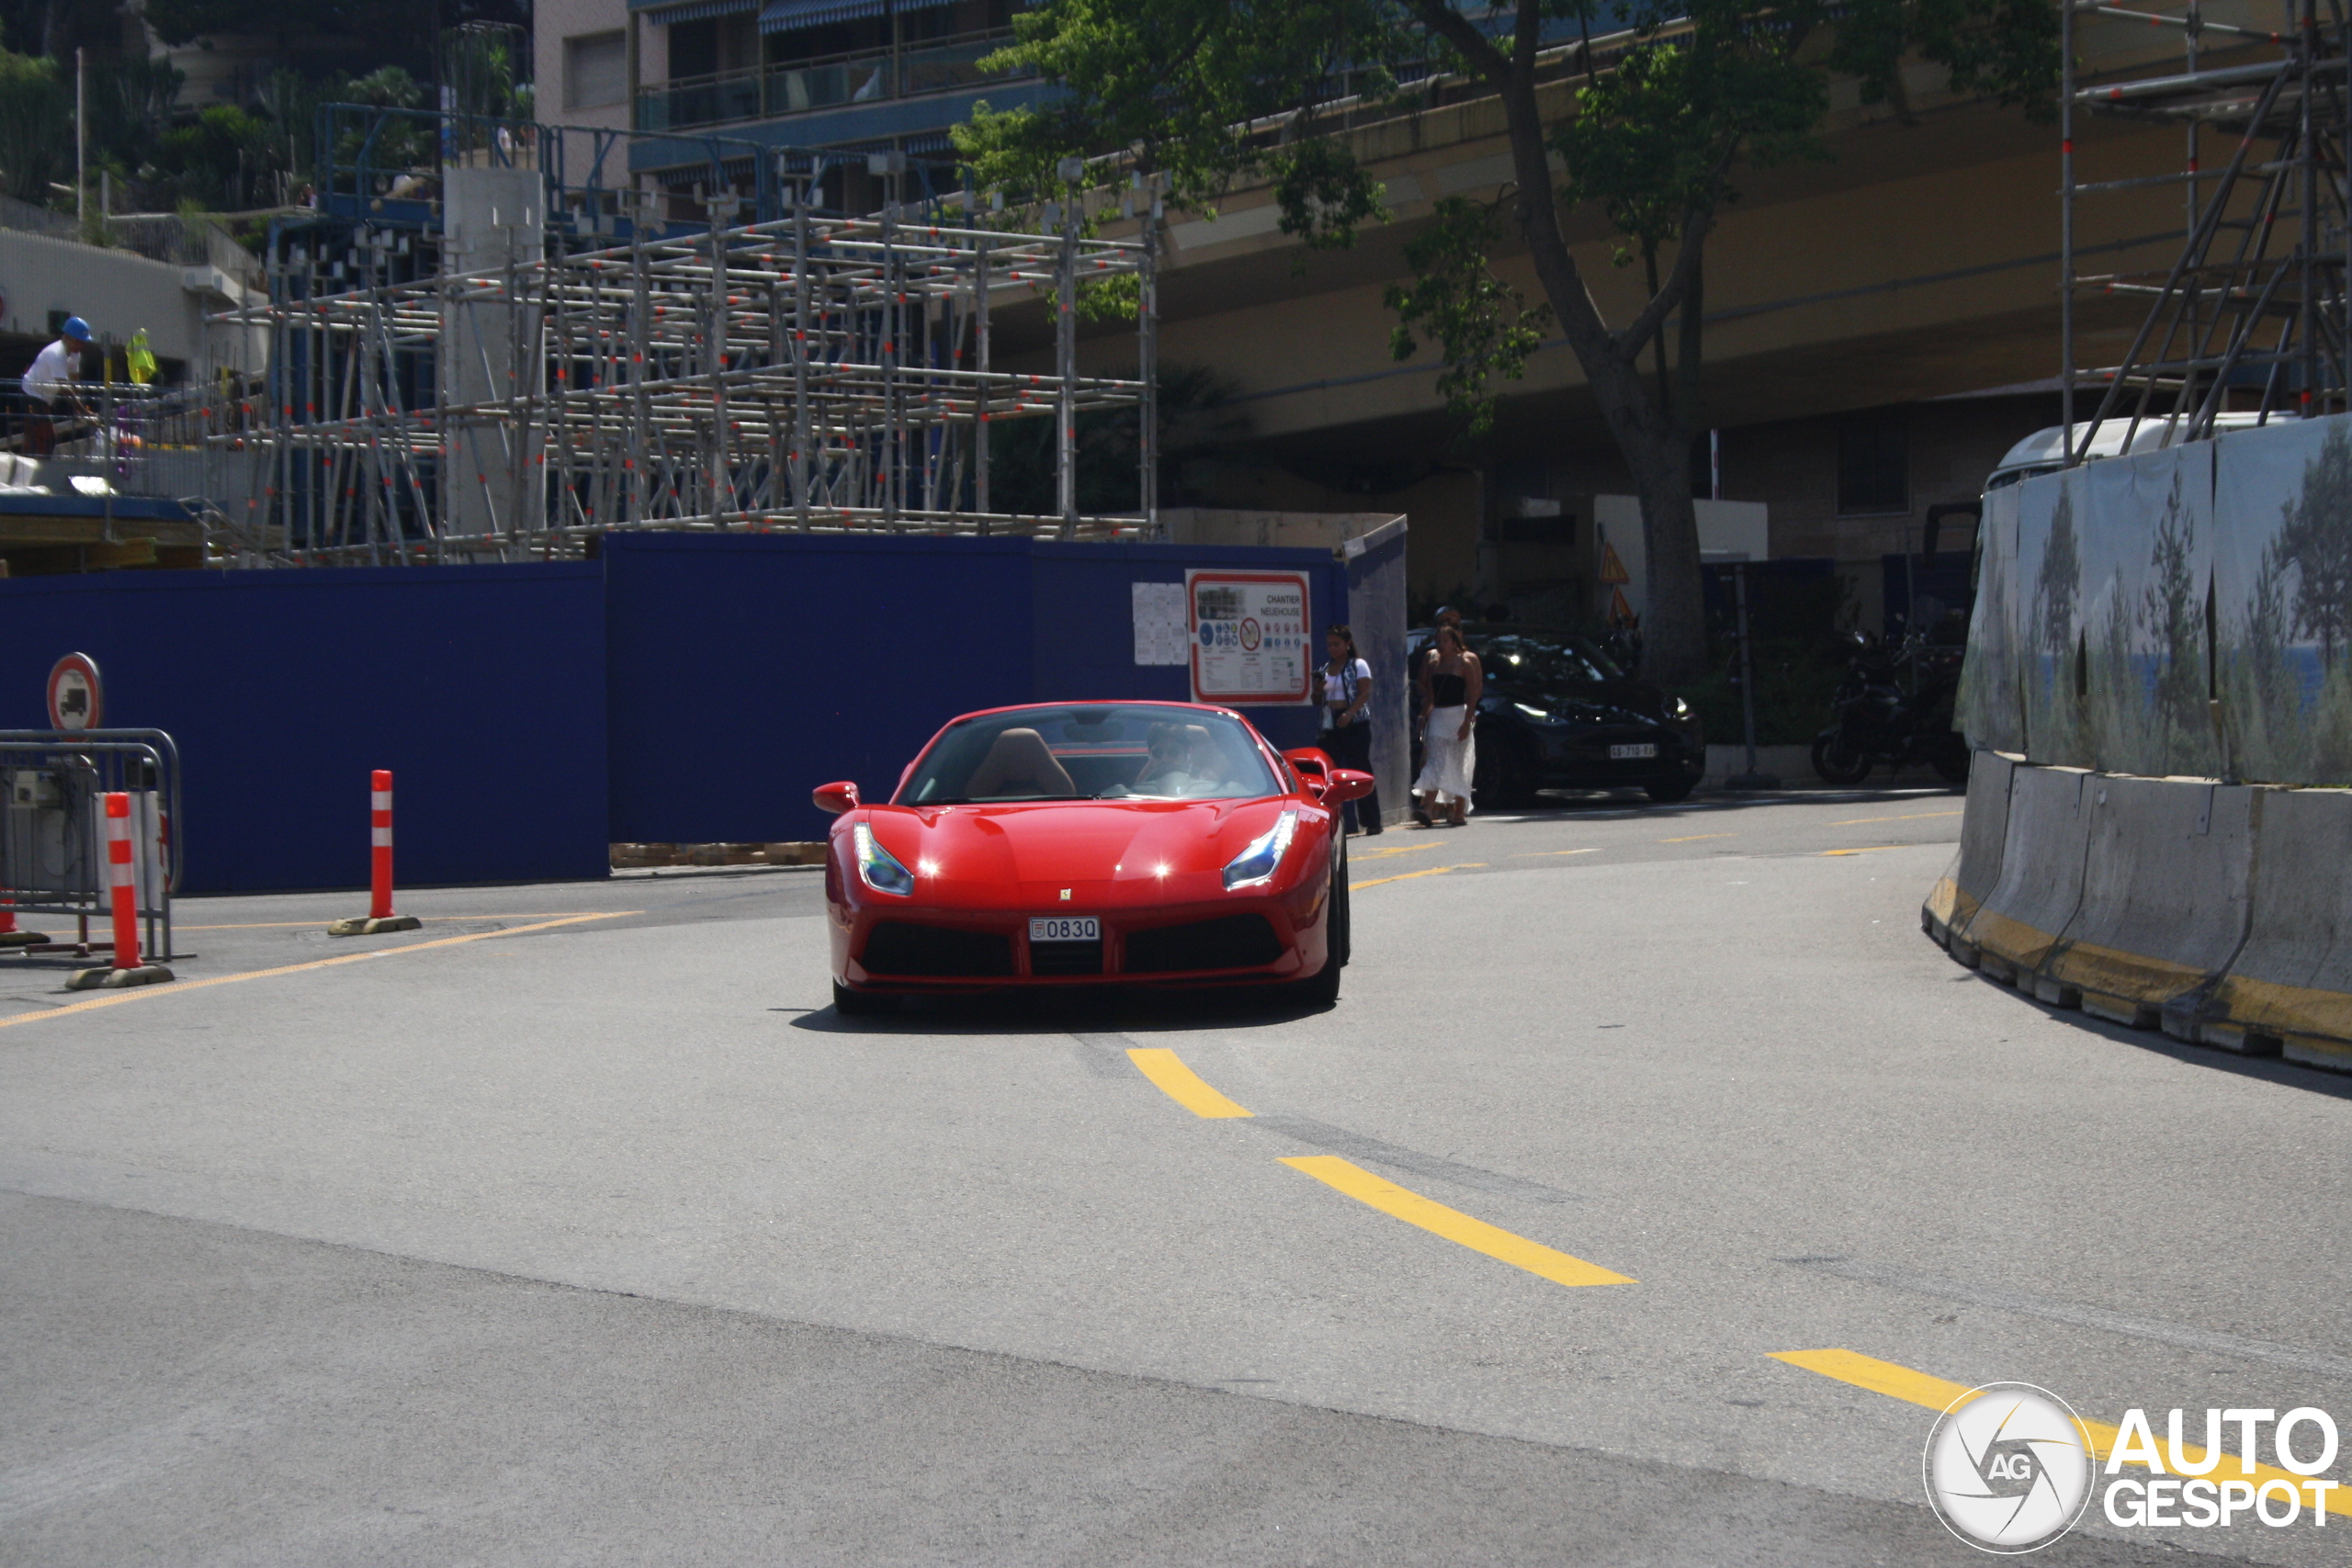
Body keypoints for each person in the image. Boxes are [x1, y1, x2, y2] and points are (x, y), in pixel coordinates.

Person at [1412, 622, 1481, 827]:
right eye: (1438, 641)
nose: (1441, 645)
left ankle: (1459, 811)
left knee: (1458, 764)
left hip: (1457, 715)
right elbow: (1430, 695)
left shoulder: (1464, 663)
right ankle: (1428, 809)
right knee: (1434, 762)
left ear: (1454, 642)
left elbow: (1473, 693)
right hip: (1438, 717)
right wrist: (1424, 716)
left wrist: (1467, 721)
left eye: (1445, 641)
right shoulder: (1433, 664)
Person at [1320, 625, 1381, 835]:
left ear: (1347, 644)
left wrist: (1350, 713)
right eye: (1329, 645)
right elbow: (1318, 700)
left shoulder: (1358, 665)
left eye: (1336, 644)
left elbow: (1364, 693)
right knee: (1329, 772)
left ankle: (1372, 821)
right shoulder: (1326, 668)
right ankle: (1332, 820)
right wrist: (1317, 690)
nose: (1333, 649)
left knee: (1360, 769)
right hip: (1332, 722)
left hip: (1355, 722)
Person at [21, 316, 90, 457]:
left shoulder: (74, 353)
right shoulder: (56, 353)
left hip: (43, 397)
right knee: (45, 438)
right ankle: (35, 471)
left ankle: (31, 469)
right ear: (67, 337)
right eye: (78, 341)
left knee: (38, 437)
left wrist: (79, 410)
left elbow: (73, 380)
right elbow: (65, 389)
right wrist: (85, 412)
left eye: (83, 342)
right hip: (31, 395)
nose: (81, 345)